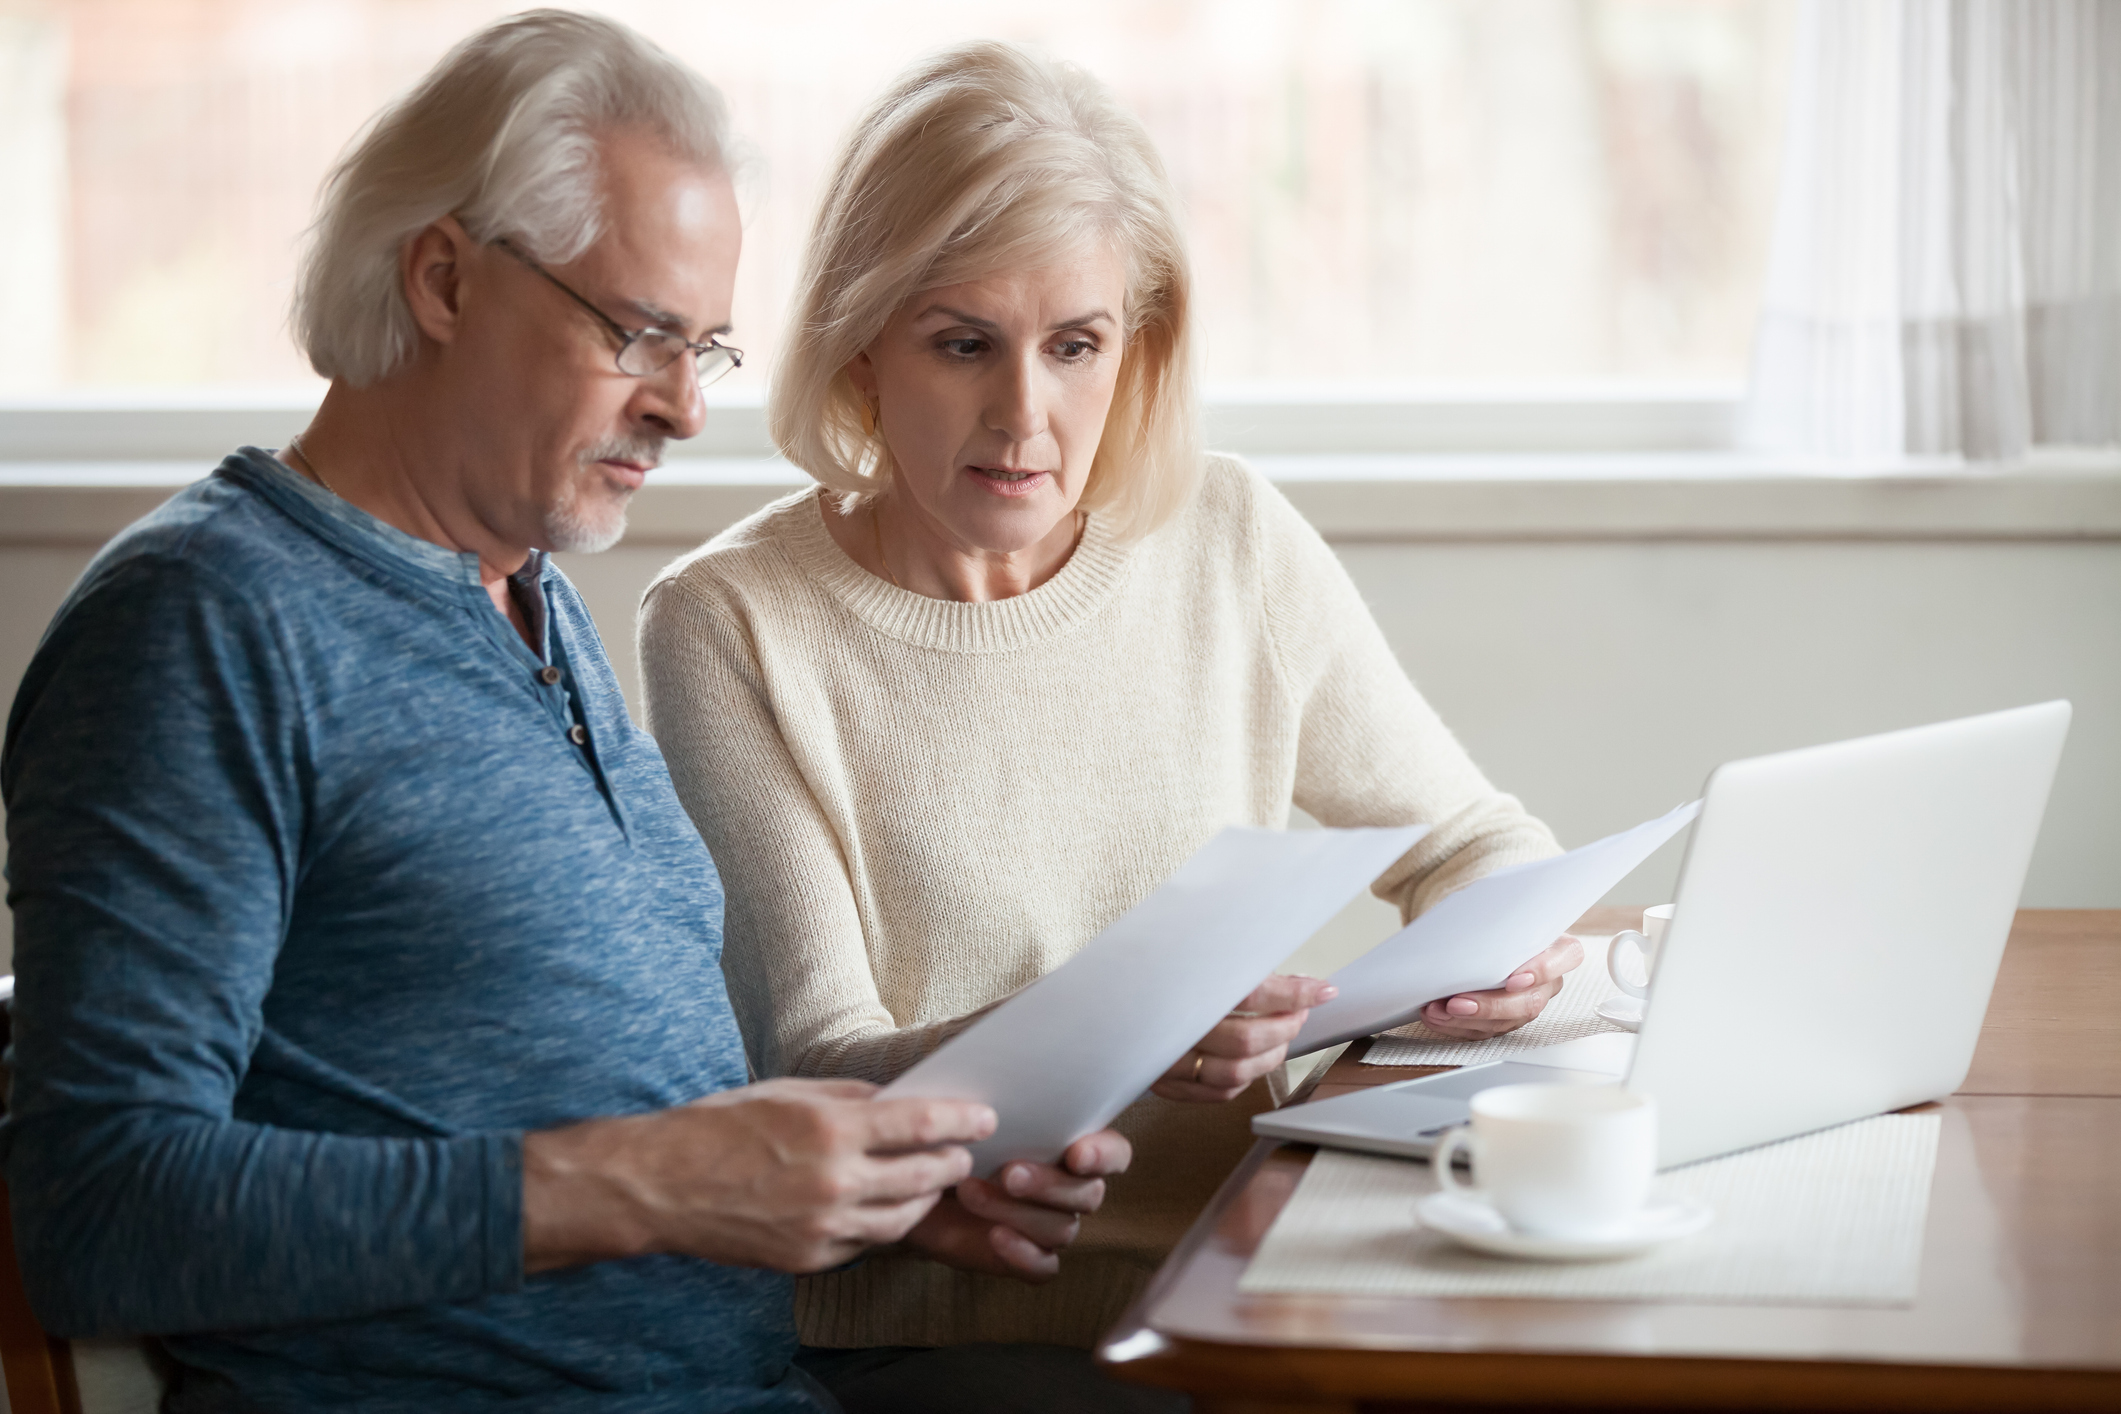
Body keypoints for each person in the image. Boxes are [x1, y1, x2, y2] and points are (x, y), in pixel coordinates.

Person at [0, 15, 1129, 1412]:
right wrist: (653, 1180)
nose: (681, 409)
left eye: (702, 347)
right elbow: (103, 1211)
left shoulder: (526, 595)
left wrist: (866, 1189)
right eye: (639, 332)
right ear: (444, 278)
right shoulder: (202, 623)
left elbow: (537, 1095)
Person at [637, 40, 1582, 1402]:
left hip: (1239, 1277)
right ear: (860, 342)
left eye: (1074, 346)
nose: (1025, 417)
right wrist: (1122, 1019)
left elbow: (1478, 839)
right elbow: (820, 1059)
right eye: (962, 343)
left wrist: (1511, 944)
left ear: (1134, 348)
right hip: (942, 1324)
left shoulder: (1230, 537)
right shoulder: (729, 621)